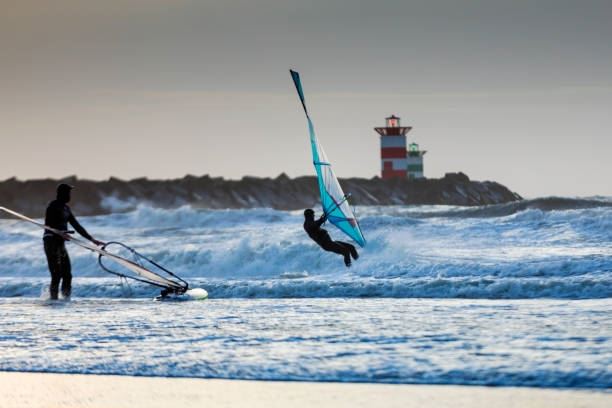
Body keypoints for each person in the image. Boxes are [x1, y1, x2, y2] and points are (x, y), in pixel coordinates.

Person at [43, 183, 104, 300]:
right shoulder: (53, 206)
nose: (69, 195)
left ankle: (66, 299)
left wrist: (92, 239)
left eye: (69, 192)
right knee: (56, 275)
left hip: (60, 243)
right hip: (51, 242)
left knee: (67, 275)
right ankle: (53, 300)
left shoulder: (66, 209)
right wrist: (59, 232)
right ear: (61, 194)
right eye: (68, 192)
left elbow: (76, 225)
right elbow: (48, 225)